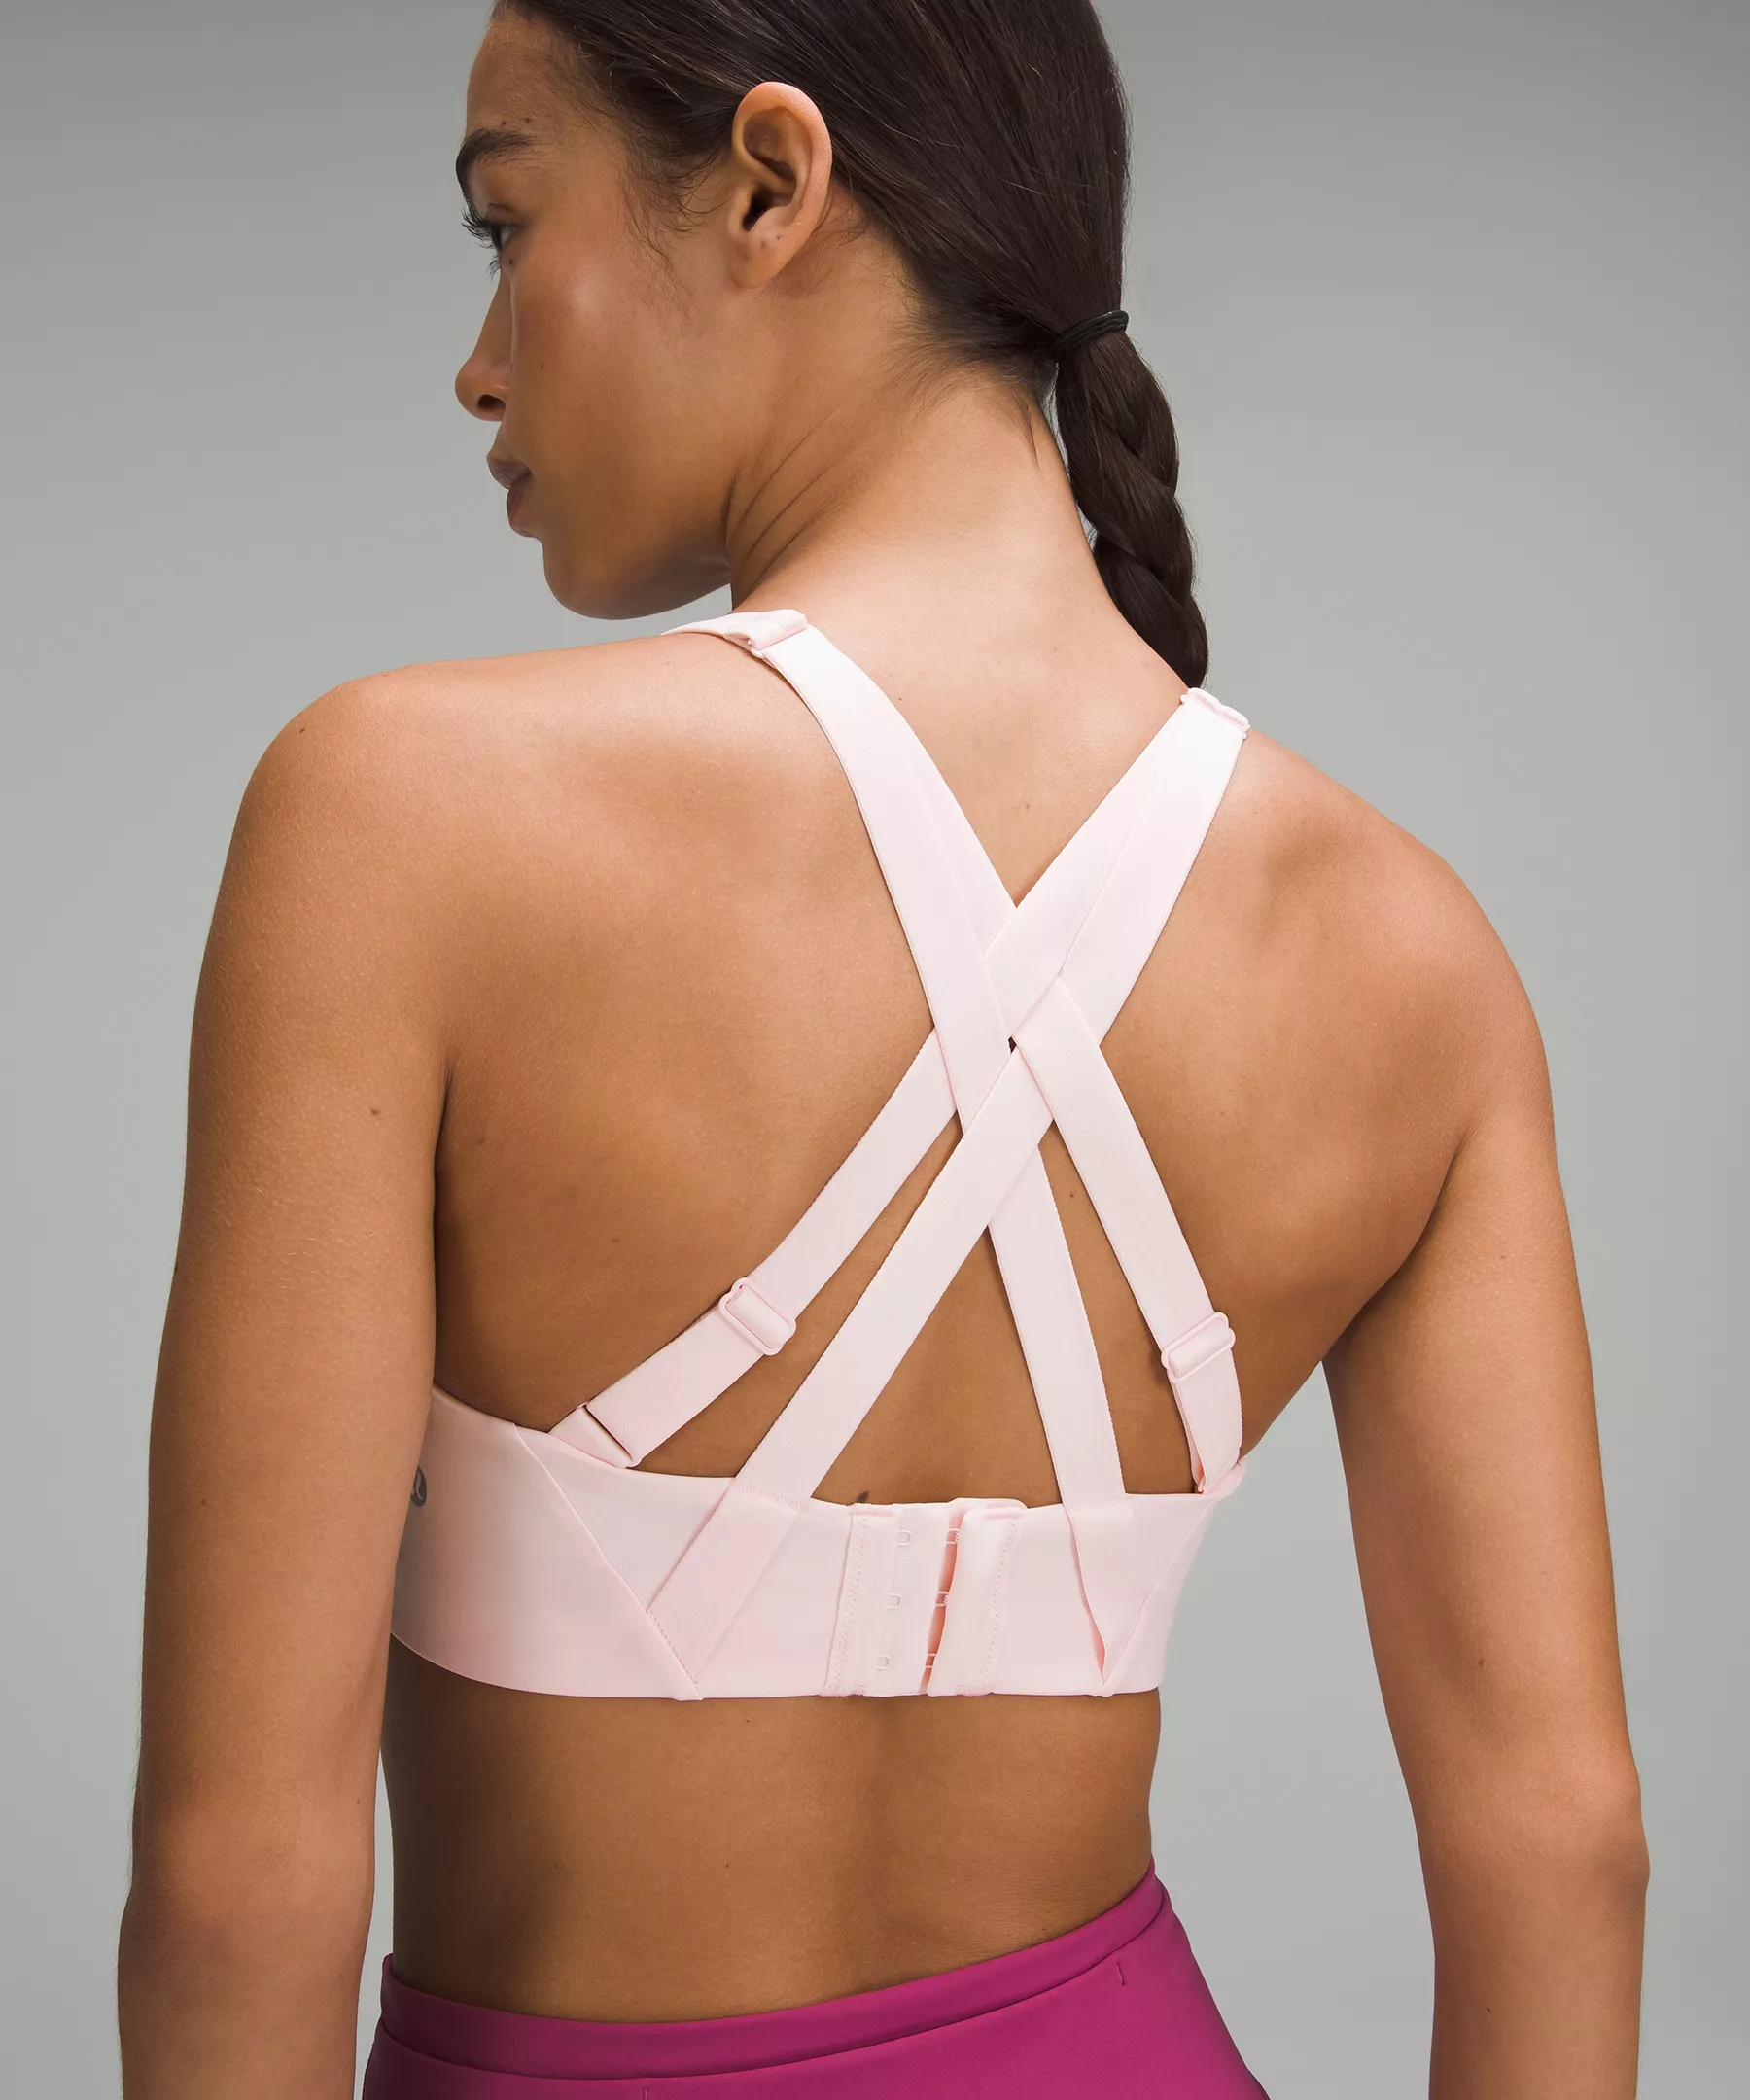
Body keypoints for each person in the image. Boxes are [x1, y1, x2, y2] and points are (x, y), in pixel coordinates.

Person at [116, 2, 1649, 2094]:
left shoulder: (400, 820)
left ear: (771, 183)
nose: (478, 362)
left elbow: (236, 1888)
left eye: (506, 226)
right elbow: (1563, 1847)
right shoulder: (1414, 957)